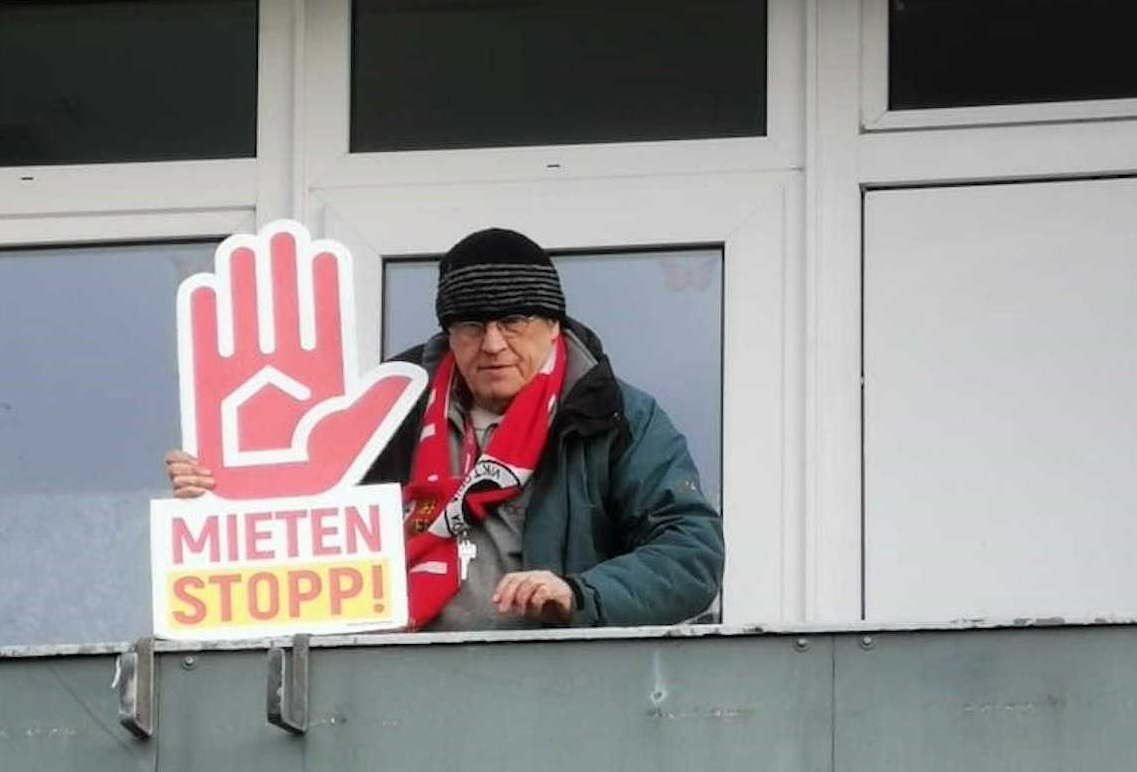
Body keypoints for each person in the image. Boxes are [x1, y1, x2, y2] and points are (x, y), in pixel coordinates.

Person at [166, 227, 724, 630]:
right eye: (471, 326)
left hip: (561, 689)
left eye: (514, 321)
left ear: (553, 324)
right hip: (396, 685)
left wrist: (579, 595)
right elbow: (298, 535)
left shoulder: (616, 415)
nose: (493, 344)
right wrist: (221, 496)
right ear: (449, 332)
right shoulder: (388, 411)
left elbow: (692, 554)